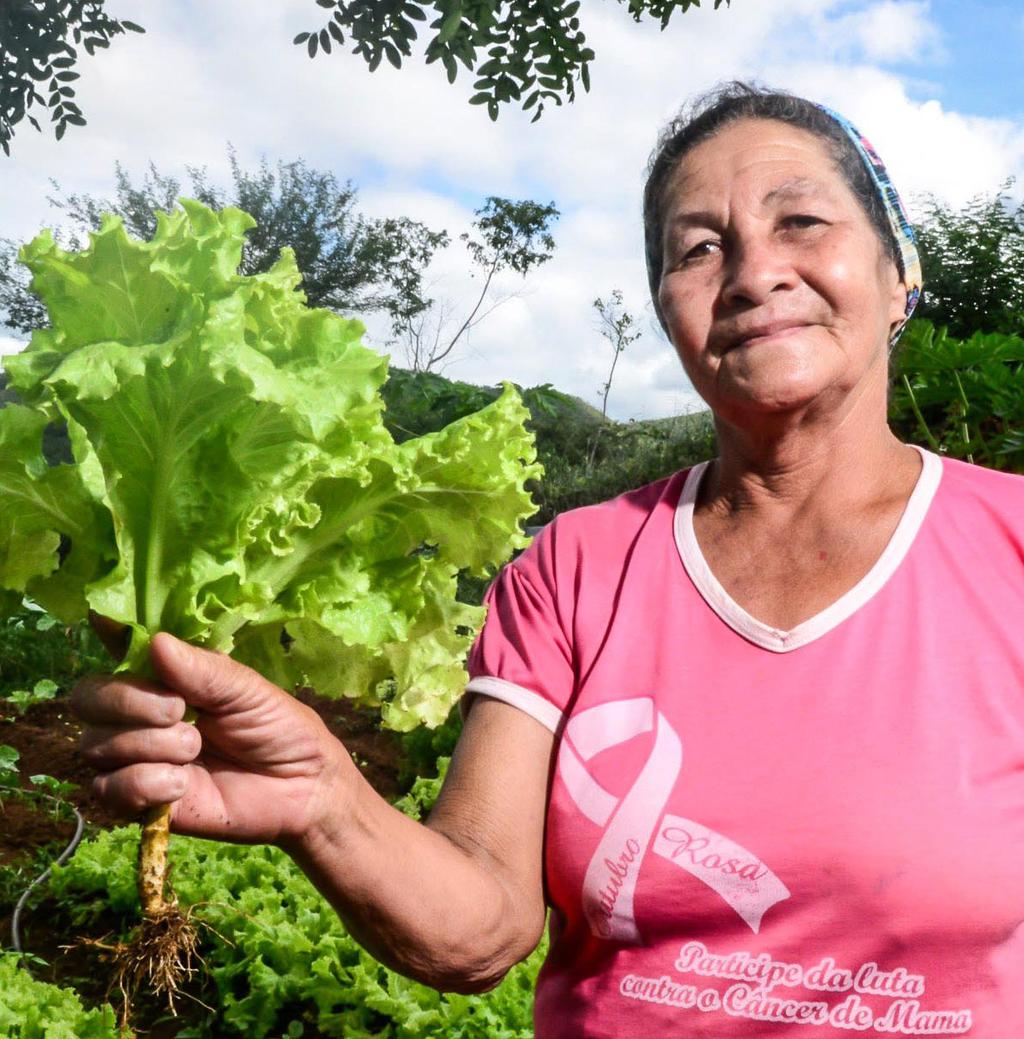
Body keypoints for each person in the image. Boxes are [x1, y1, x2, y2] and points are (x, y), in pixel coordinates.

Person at [74, 82, 1024, 1037]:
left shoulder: (1009, 550)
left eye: (803, 220)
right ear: (667, 312)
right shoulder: (578, 565)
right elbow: (479, 928)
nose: (751, 273)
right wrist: (321, 798)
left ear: (900, 272)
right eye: (697, 248)